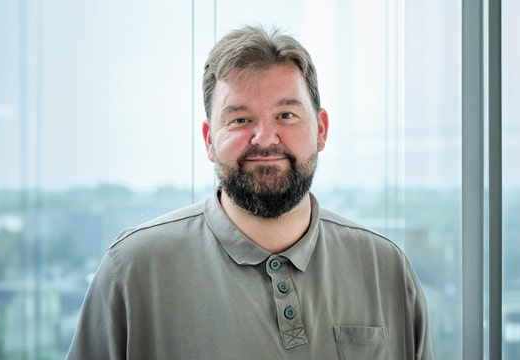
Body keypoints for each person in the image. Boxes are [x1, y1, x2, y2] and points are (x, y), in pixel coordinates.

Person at [67, 25, 434, 359]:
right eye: (240, 119)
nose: (264, 137)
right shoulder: (131, 271)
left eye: (286, 115)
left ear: (321, 130)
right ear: (210, 141)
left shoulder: (386, 269)